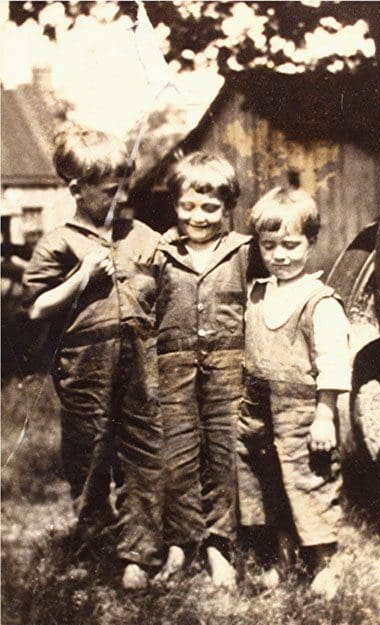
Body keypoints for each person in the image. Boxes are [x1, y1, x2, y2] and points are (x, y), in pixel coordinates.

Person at [22, 127, 165, 590]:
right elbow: (38, 306)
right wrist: (81, 277)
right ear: (76, 189)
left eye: (125, 184)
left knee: (143, 451)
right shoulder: (59, 242)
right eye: (109, 190)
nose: (121, 197)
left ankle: (137, 555)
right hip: (84, 369)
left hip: (141, 364)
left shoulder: (142, 235)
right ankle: (93, 537)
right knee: (88, 452)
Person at [236, 186, 351, 598]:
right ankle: (277, 557)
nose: (279, 256)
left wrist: (325, 414)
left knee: (310, 483)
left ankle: (324, 563)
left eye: (290, 245)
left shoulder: (318, 301)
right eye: (269, 246)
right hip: (256, 410)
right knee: (263, 482)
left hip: (302, 411)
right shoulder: (257, 293)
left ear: (311, 242)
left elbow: (334, 361)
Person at [155, 151, 254, 588]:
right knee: (177, 456)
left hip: (229, 367)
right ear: (175, 204)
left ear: (229, 208)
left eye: (211, 207)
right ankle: (180, 542)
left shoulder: (244, 253)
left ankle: (219, 545)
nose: (198, 216)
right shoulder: (159, 253)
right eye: (188, 206)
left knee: (224, 455)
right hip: (171, 367)